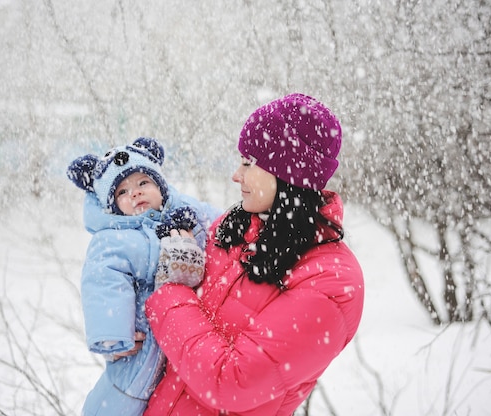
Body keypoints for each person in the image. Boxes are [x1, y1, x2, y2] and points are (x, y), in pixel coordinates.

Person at [143, 93, 365, 415]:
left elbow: (230, 382)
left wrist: (169, 293)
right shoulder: (236, 228)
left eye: (248, 163)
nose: (237, 175)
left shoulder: (332, 282)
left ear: (287, 173)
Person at [66, 137, 220, 416]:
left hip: (185, 332)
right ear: (112, 205)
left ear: (160, 186)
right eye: (122, 191)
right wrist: (113, 334)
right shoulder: (113, 239)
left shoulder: (186, 210)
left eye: (143, 183)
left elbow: (219, 224)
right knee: (123, 398)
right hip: (140, 343)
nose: (135, 193)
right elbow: (103, 281)